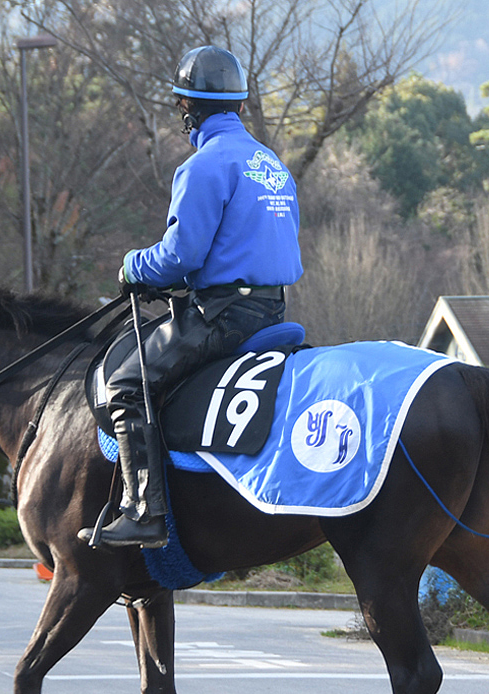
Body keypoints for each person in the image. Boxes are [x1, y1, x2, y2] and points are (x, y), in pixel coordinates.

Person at [80, 45, 303, 549]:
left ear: (187, 109)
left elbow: (180, 258)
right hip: (273, 308)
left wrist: (132, 266)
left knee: (125, 384)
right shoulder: (271, 164)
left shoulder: (204, 167)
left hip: (225, 316)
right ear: (241, 106)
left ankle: (144, 511)